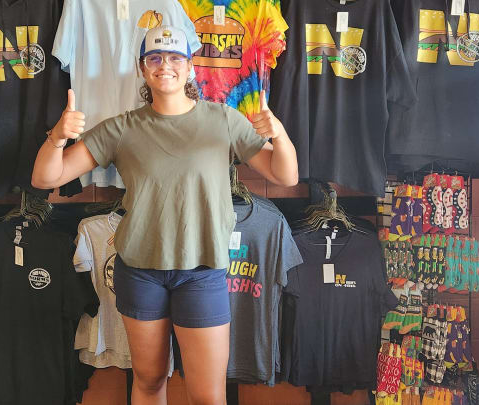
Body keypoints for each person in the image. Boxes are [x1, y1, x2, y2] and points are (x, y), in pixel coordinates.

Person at [32, 25, 298, 405]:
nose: (165, 65)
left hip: (202, 272)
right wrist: (57, 138)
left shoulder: (224, 120)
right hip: (140, 271)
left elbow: (285, 176)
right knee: (150, 379)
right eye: (154, 58)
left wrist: (280, 136)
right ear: (143, 69)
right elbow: (46, 177)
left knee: (208, 394)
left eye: (175, 58)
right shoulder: (122, 128)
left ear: (190, 68)